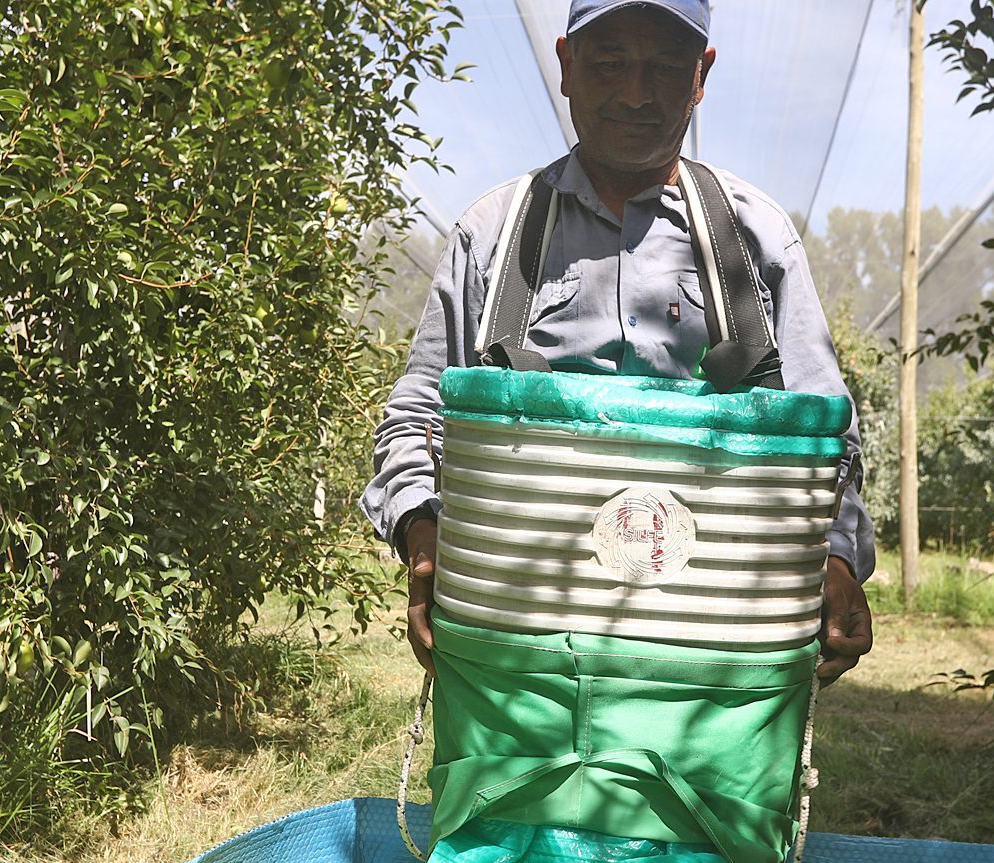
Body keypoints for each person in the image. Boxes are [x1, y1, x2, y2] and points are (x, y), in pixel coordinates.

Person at [362, 0, 875, 684]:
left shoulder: (756, 243)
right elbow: (418, 416)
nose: (636, 93)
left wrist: (835, 559)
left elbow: (826, 438)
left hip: (716, 648)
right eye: (610, 63)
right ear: (567, 64)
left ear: (702, 75)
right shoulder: (493, 237)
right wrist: (423, 534)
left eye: (665, 66)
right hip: (522, 640)